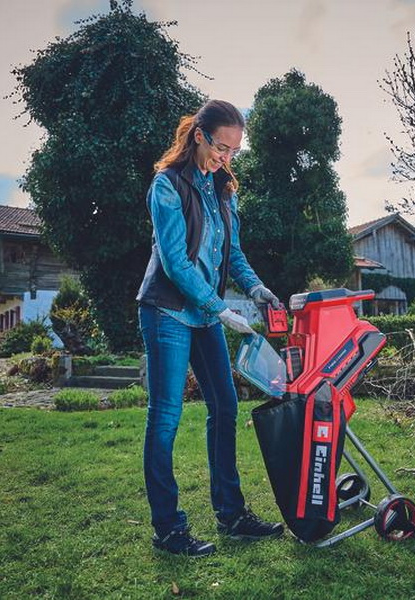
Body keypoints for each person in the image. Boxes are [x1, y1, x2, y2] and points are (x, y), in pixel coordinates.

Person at [136, 99, 284, 558]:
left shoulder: (223, 190)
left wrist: (258, 290)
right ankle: (169, 528)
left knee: (225, 405)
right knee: (165, 417)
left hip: (205, 314)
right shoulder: (167, 186)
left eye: (235, 151)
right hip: (167, 311)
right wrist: (219, 308)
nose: (227, 158)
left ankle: (232, 514)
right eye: (222, 147)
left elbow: (232, 254)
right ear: (199, 135)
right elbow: (176, 262)